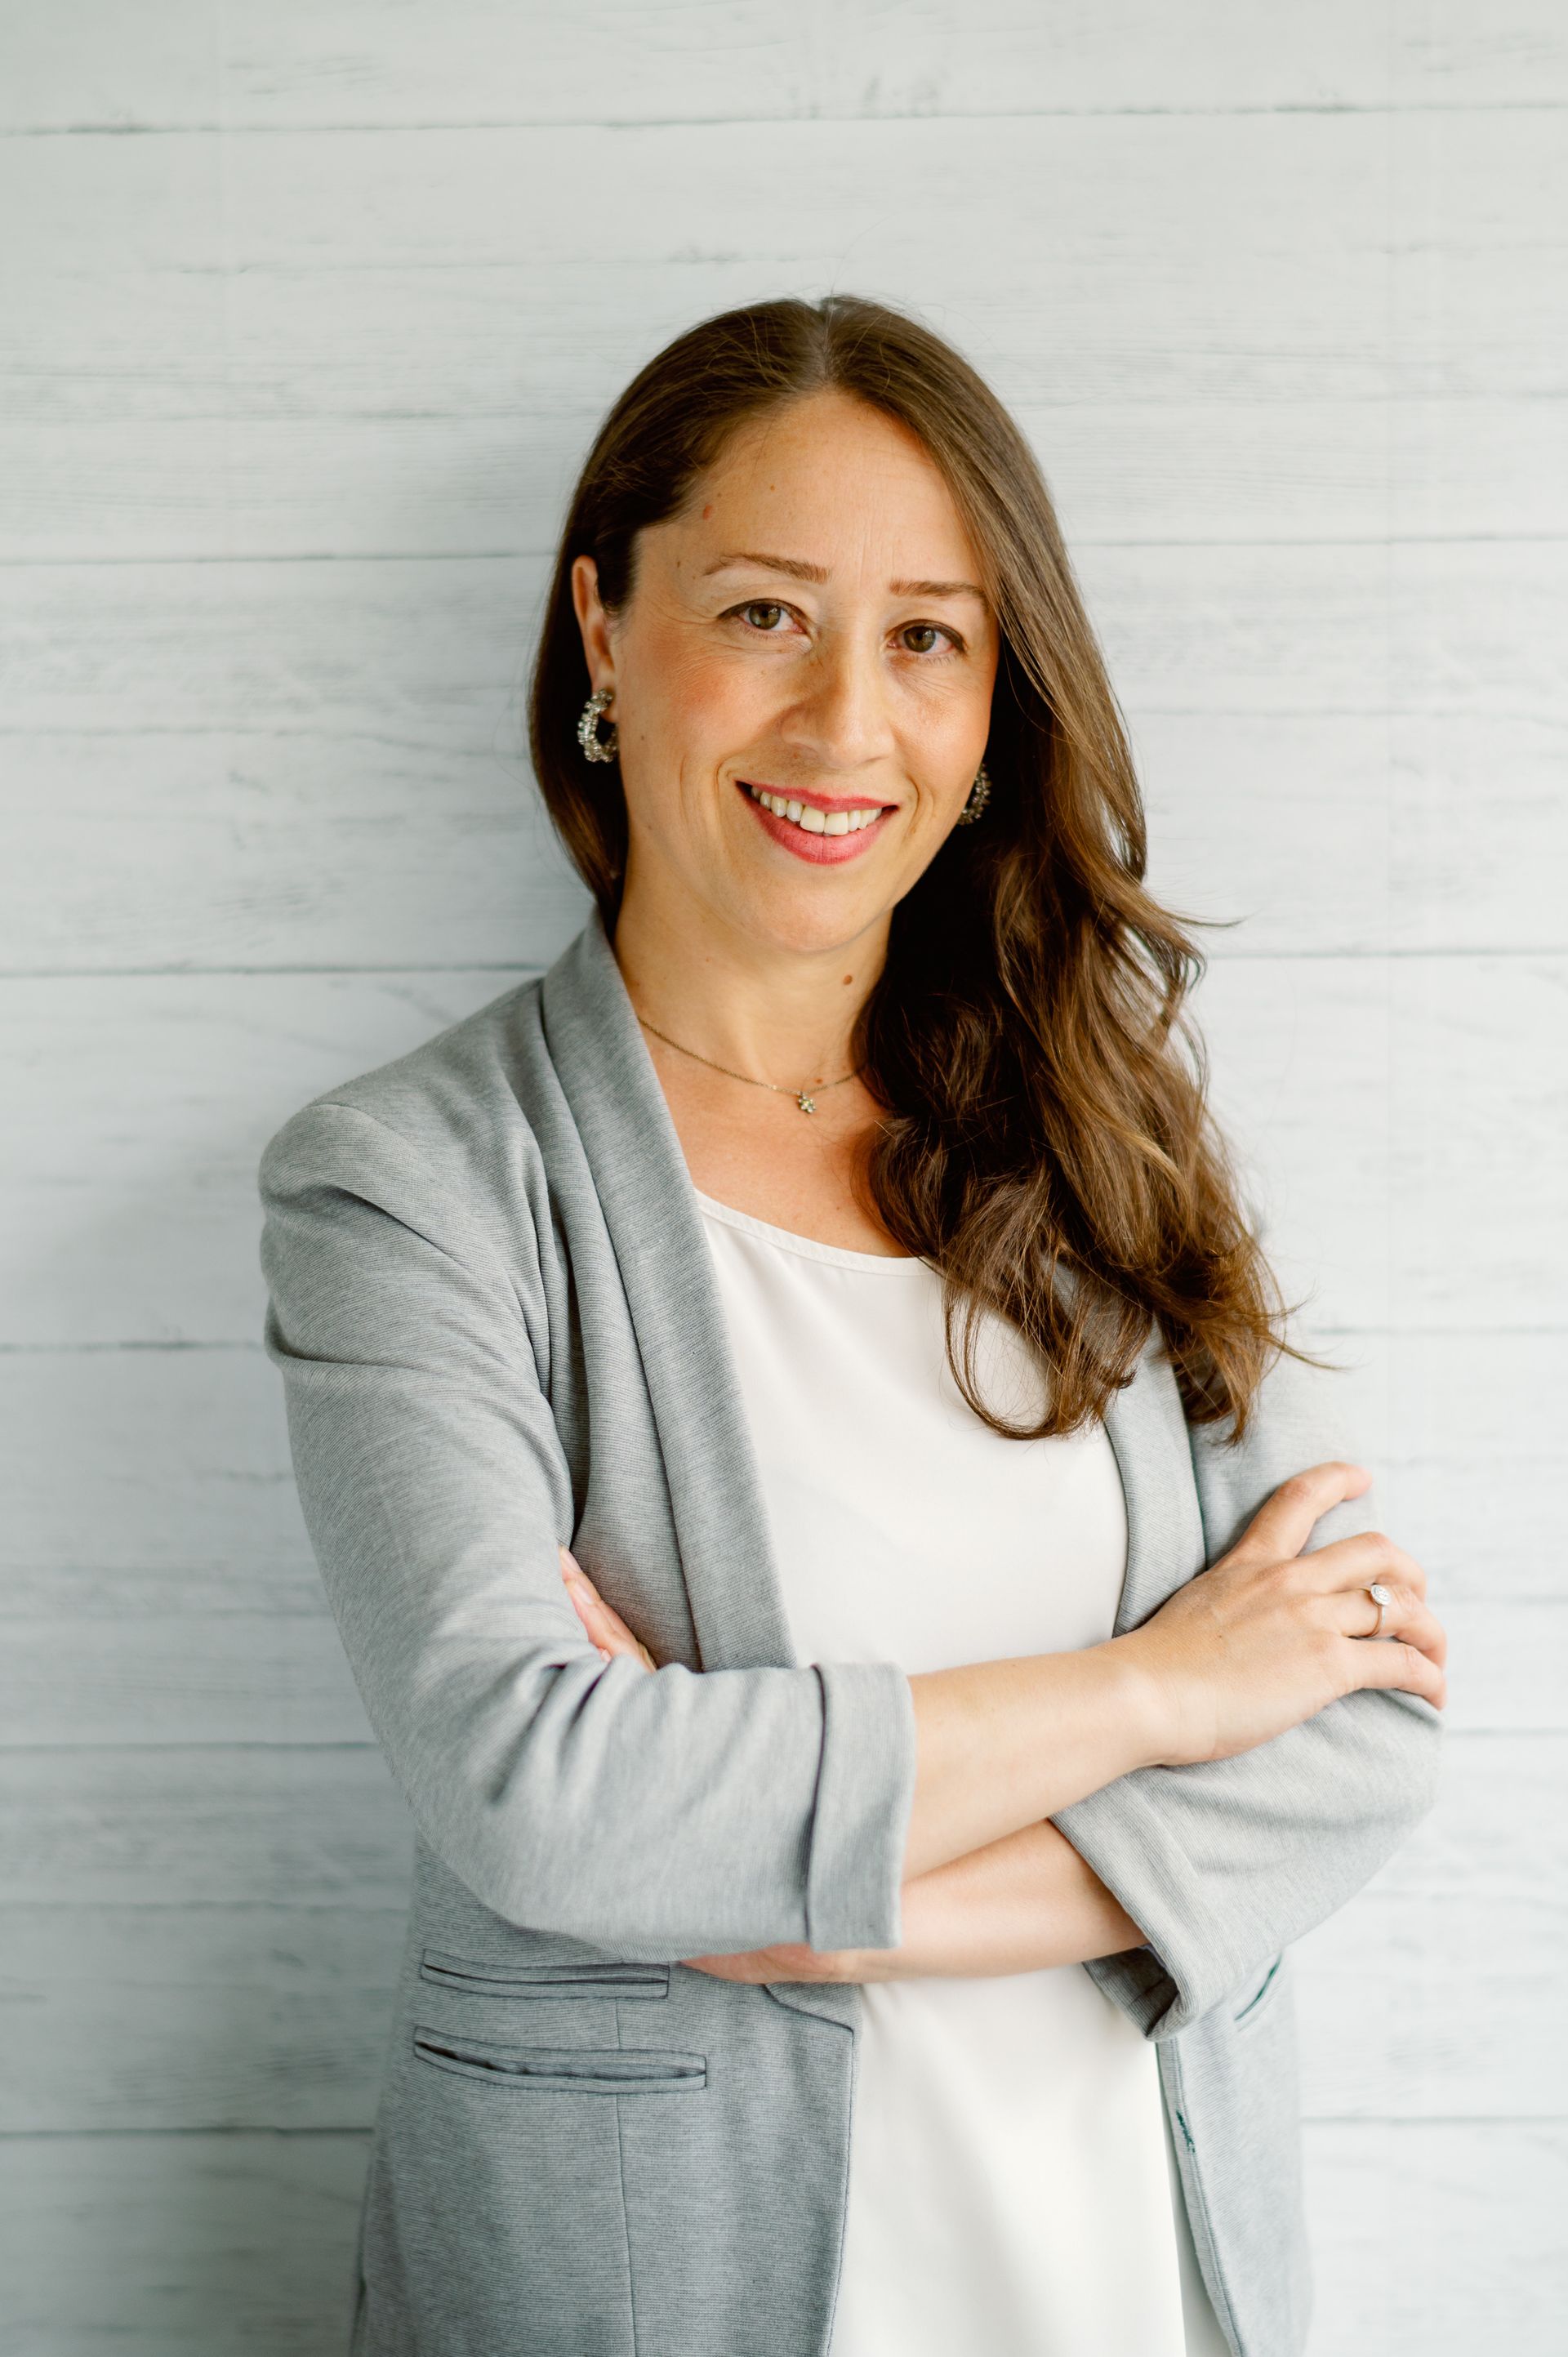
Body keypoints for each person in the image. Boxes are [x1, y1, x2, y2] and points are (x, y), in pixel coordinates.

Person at [258, 295, 1446, 2357]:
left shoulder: (1099, 1133)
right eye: (765, 615)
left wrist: (837, 1927)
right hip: (656, 2291)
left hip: (1128, 2274)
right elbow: (551, 1797)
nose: (843, 727)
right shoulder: (413, 1186)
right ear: (604, 634)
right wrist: (1160, 1693)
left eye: (927, 637)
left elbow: (1357, 1724)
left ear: (995, 713)